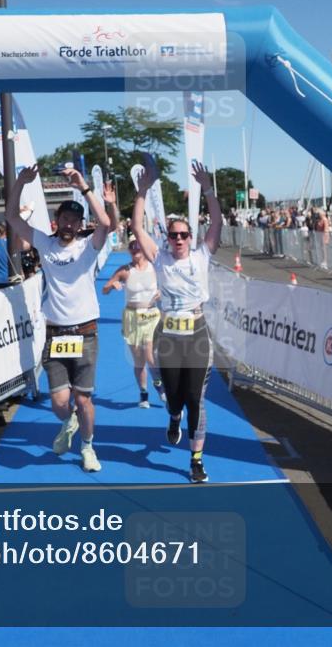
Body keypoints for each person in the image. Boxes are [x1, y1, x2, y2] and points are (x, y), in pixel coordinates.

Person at [6, 165, 112, 473]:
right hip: (56, 334)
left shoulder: (88, 247)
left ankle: (88, 447)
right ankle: (69, 423)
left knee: (84, 400)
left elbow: (106, 223)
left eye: (74, 220)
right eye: (64, 219)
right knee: (60, 403)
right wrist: (20, 182)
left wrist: (84, 187)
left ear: (81, 225)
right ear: (57, 221)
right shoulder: (45, 243)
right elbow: (12, 217)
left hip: (85, 332)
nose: (69, 224)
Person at [133, 158, 221, 484]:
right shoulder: (160, 258)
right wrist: (142, 191)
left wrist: (207, 188)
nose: (180, 240)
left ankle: (196, 460)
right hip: (169, 336)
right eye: (174, 235)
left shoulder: (202, 255)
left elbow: (217, 222)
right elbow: (137, 227)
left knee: (196, 399)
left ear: (191, 236)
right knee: (174, 396)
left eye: (184, 235)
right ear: (168, 238)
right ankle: (173, 416)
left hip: (197, 334)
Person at [102, 240, 161, 409]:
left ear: (144, 249)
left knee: (150, 355)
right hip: (132, 317)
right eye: (132, 248)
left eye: (138, 248)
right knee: (139, 360)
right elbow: (104, 289)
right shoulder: (125, 270)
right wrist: (112, 286)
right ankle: (143, 393)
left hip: (151, 315)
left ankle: (159, 384)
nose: (135, 251)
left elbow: (168, 284)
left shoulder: (154, 268)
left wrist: (162, 292)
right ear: (129, 251)